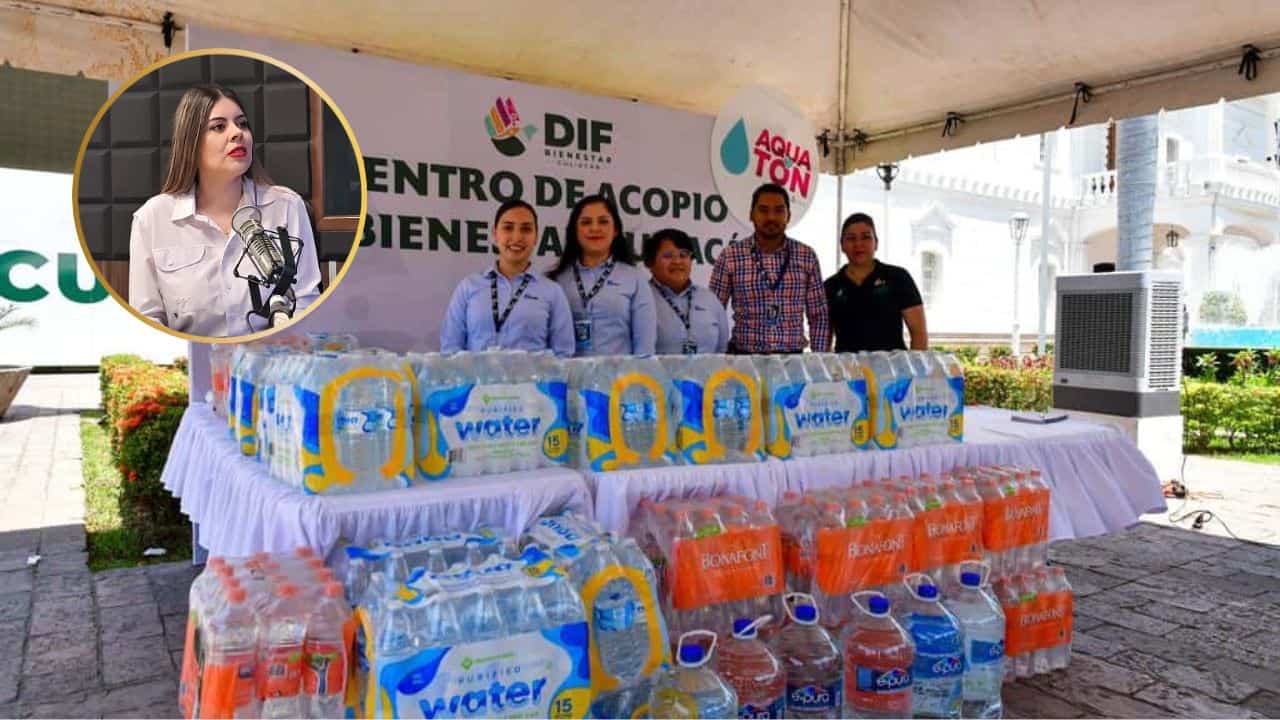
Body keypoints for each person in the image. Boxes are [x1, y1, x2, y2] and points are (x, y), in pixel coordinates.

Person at [128, 83, 322, 337]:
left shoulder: (287, 206)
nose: (237, 133)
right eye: (219, 127)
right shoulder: (152, 219)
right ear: (191, 142)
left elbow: (306, 301)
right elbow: (147, 319)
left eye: (242, 124)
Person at [441, 200, 575, 356]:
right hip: (479, 373)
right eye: (508, 227)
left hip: (531, 374)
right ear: (495, 234)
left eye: (526, 229)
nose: (517, 237)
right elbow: (450, 350)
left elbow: (563, 355)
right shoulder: (469, 287)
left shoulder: (552, 292)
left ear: (536, 237)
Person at [709, 183, 830, 354]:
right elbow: (713, 313)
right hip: (744, 358)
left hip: (792, 360)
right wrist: (716, 358)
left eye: (779, 210)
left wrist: (818, 360)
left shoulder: (806, 256)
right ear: (751, 215)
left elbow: (818, 315)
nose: (771, 217)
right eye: (763, 210)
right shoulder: (730, 257)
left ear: (788, 216)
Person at [549, 195, 656, 356]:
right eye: (586, 222)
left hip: (620, 373)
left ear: (615, 230)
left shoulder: (635, 279)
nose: (594, 228)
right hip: (568, 372)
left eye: (603, 221)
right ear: (575, 231)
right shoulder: (557, 281)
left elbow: (645, 349)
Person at [825, 212, 928, 352]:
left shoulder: (898, 277)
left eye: (866, 237)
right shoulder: (829, 286)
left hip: (892, 365)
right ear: (842, 245)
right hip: (848, 365)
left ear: (876, 243)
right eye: (851, 238)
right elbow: (824, 339)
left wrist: (915, 365)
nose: (858, 244)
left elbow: (919, 333)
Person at [643, 228, 730, 354]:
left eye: (683, 255)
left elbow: (721, 351)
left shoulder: (709, 299)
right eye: (668, 256)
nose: (677, 261)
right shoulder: (641, 298)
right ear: (650, 263)